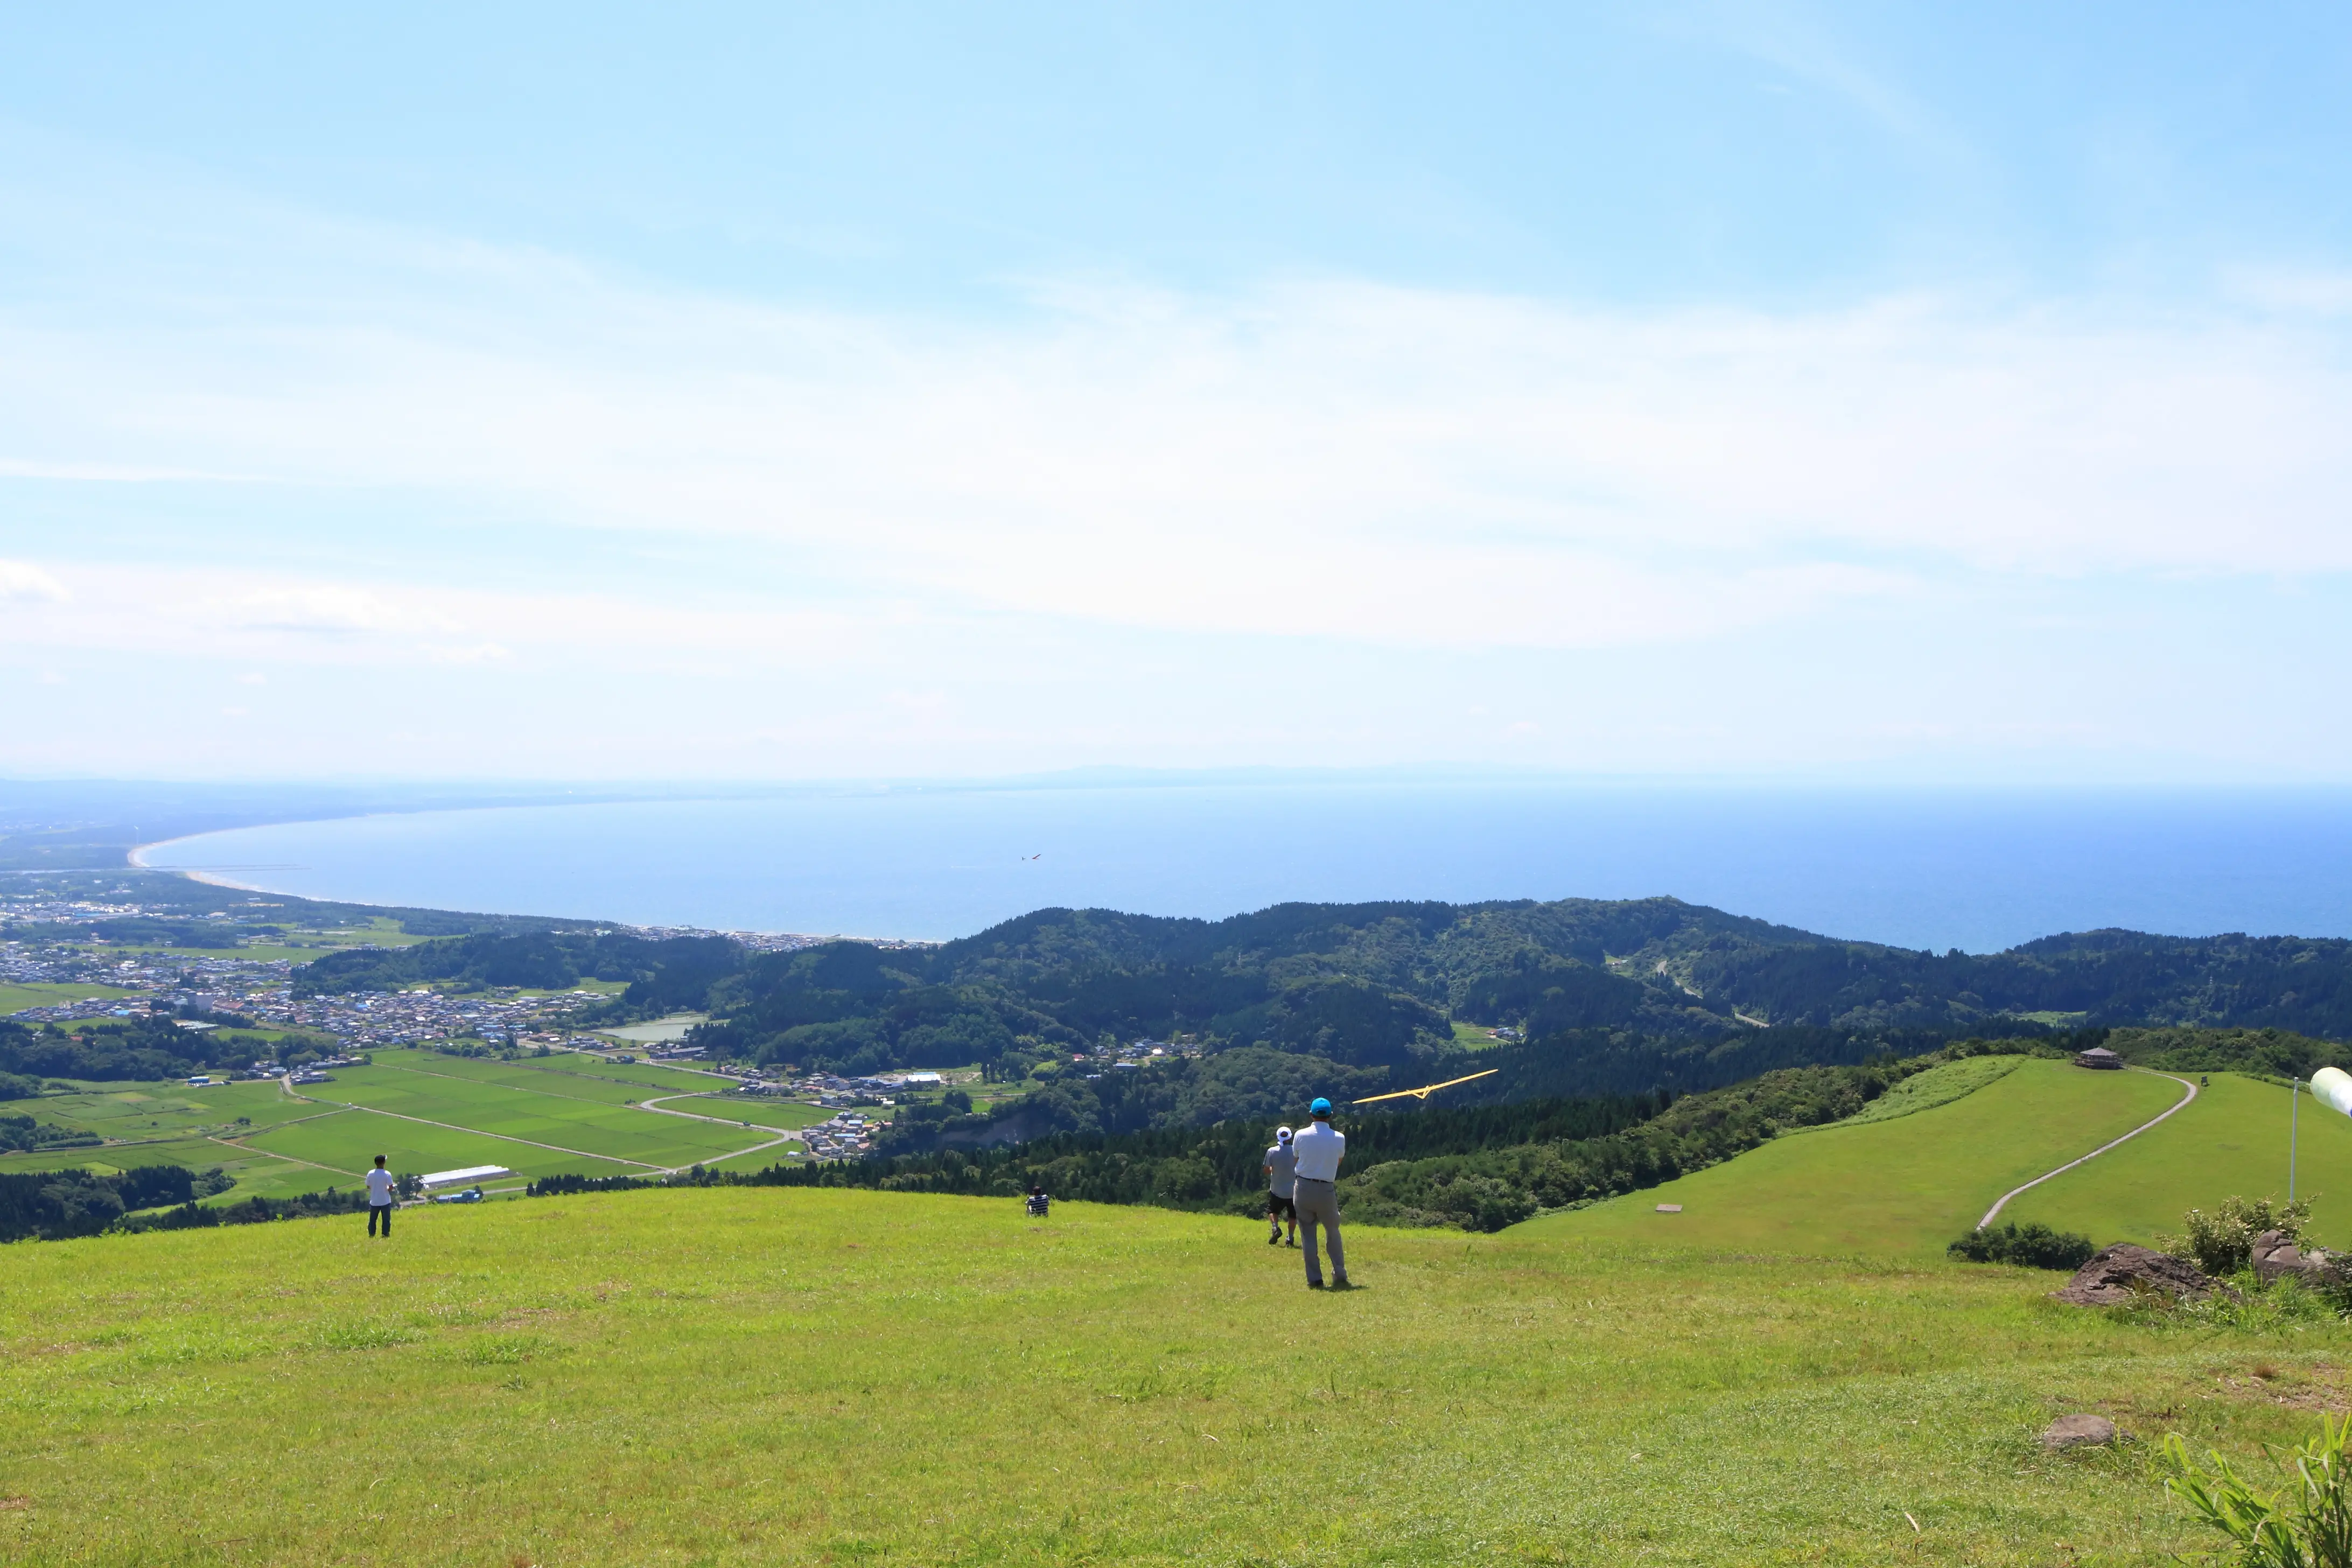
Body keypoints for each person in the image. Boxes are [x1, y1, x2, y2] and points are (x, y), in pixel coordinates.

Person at [1290, 1098, 1348, 1289]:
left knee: (1307, 1233)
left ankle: (1315, 1279)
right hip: (1326, 1189)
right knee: (1333, 1230)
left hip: (1304, 1187)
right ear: (1331, 1116)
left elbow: (1296, 1158)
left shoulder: (1300, 1135)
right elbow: (1338, 1161)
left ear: (1311, 1115)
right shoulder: (1339, 1138)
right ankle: (1339, 1271)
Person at [1263, 1125, 1299, 1247]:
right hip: (1293, 1190)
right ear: (1290, 1137)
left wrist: (1274, 1169)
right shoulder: (1296, 1151)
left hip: (1277, 1189)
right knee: (1293, 1215)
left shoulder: (1272, 1151)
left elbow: (1267, 1170)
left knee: (1272, 1210)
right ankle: (1291, 1238)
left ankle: (1275, 1227)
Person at [365, 1154, 396, 1238]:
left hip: (374, 1200)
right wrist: (385, 1189)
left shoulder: (370, 1173)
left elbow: (368, 1186)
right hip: (385, 1200)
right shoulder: (387, 1174)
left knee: (372, 1220)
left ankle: (372, 1234)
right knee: (386, 1220)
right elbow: (391, 1187)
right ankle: (385, 1234)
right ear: (384, 1163)